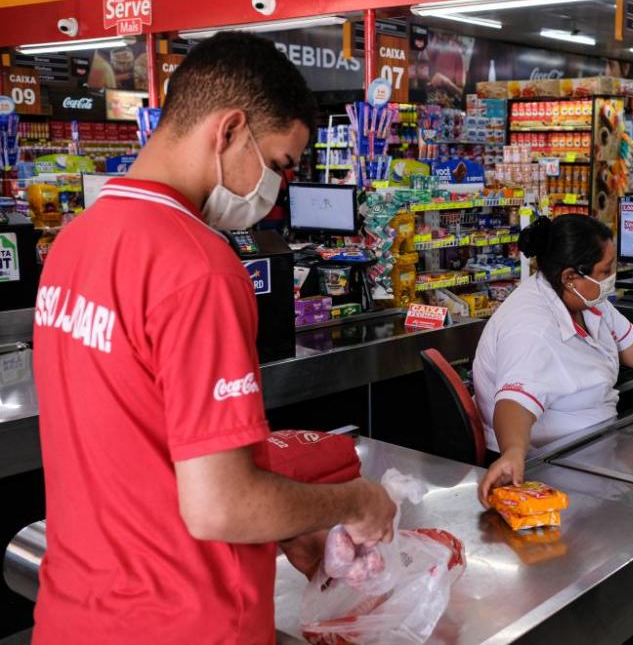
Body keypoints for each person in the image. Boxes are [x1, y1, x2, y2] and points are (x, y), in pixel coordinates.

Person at [31, 32, 396, 644]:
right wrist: (353, 502)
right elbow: (219, 507)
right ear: (228, 130)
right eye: (279, 164)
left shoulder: (77, 239)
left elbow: (139, 446)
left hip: (75, 610)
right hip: (182, 621)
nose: (275, 189)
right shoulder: (197, 265)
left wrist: (284, 522)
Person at [474, 215, 633, 505]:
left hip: (598, 445)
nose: (611, 278)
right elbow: (513, 403)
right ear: (570, 276)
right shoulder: (532, 328)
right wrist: (512, 453)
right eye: (605, 271)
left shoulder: (588, 302)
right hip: (550, 466)